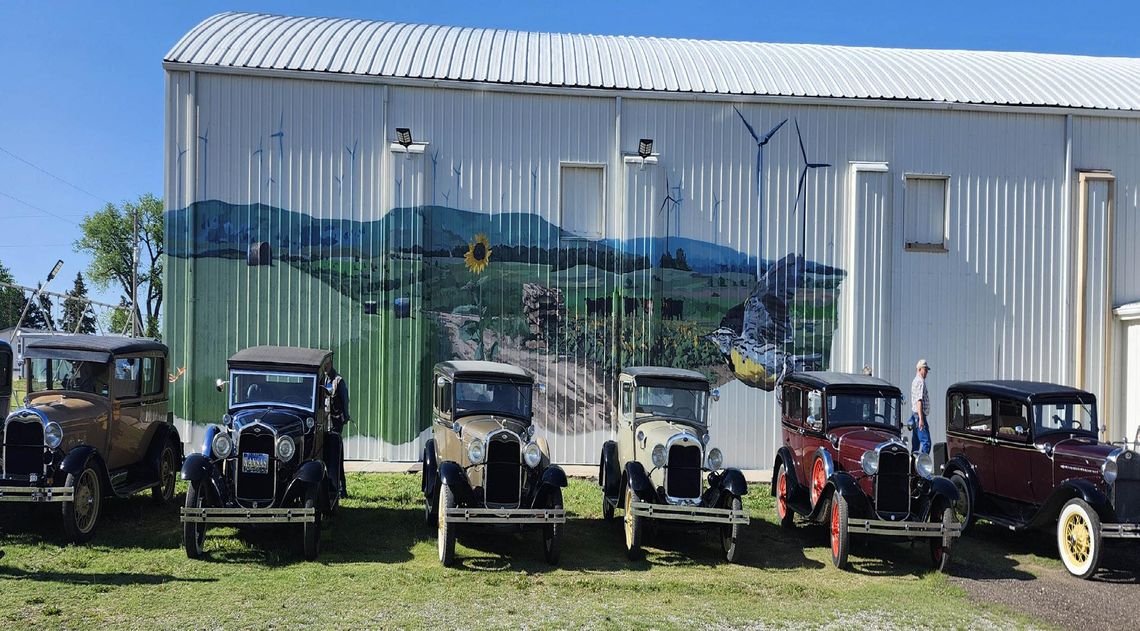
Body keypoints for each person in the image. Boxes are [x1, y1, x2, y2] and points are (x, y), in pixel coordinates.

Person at [326, 367, 350, 499]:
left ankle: (341, 489)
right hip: (324, 424)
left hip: (335, 424)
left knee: (336, 457)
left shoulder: (338, 381)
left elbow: (345, 400)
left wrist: (345, 416)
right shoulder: (322, 379)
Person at [910, 359, 932, 454]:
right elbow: (919, 400)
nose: (926, 372)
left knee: (915, 444)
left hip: (915, 415)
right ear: (919, 369)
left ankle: (912, 466)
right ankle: (922, 466)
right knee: (926, 443)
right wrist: (921, 419)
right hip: (919, 415)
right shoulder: (920, 381)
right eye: (925, 369)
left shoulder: (915, 380)